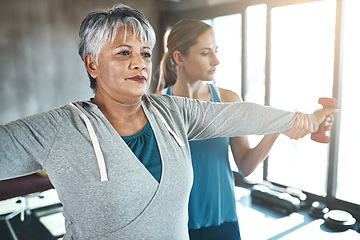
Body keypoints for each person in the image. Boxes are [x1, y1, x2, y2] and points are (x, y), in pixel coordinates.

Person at [0, 4, 337, 240]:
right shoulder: (60, 128)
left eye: (145, 53)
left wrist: (301, 118)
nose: (139, 63)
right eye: (123, 53)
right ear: (92, 65)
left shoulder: (172, 111)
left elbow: (238, 114)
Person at [156, 19, 335, 240]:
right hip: (175, 224)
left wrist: (275, 128)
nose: (216, 60)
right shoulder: (157, 104)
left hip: (223, 218)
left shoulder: (228, 100)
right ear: (179, 57)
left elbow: (246, 166)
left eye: (216, 51)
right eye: (205, 53)